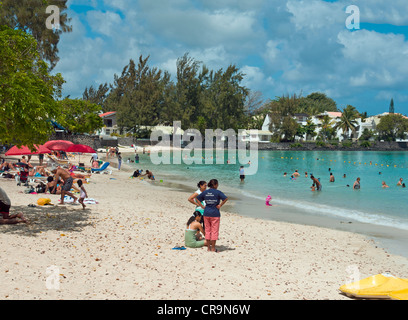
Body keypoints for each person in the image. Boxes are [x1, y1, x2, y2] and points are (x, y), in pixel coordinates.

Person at [196, 179, 228, 253]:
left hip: (206, 213)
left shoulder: (205, 192)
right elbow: (225, 198)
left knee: (207, 230)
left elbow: (197, 198)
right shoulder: (218, 192)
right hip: (215, 214)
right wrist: (220, 205)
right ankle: (213, 248)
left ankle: (208, 248)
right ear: (215, 185)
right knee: (214, 231)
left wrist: (201, 206)